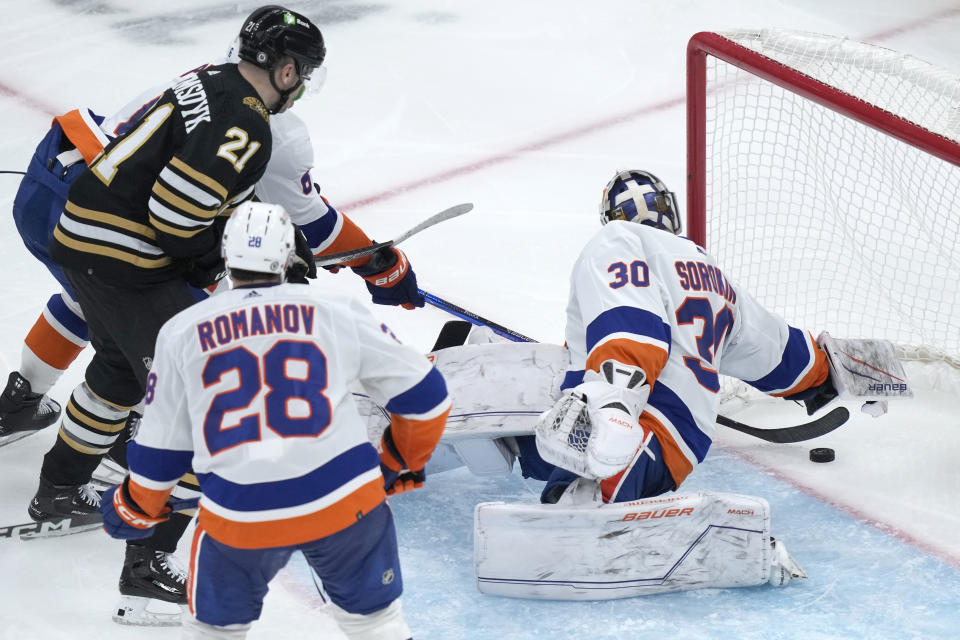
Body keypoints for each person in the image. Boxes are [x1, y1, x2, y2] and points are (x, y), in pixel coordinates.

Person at [1, 5, 425, 624]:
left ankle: (59, 489)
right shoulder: (248, 124)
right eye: (301, 73)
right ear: (283, 70)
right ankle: (146, 570)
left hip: (81, 235)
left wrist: (261, 241)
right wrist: (229, 260)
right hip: (125, 259)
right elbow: (177, 221)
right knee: (207, 407)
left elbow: (185, 201)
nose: (302, 86)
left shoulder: (206, 79)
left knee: (117, 368)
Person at [99, 200, 448, 640]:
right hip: (346, 503)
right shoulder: (336, 311)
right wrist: (399, 461)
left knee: (214, 633)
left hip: (240, 515)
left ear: (225, 257)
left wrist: (134, 506)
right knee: (375, 625)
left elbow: (161, 450)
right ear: (289, 257)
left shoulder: (183, 330)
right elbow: (427, 396)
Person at [512, 169, 837, 504]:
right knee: (549, 453)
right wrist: (824, 370)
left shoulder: (617, 241)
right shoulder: (715, 278)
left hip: (631, 426)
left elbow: (632, 328)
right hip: (682, 440)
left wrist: (614, 404)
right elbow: (776, 350)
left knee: (571, 512)